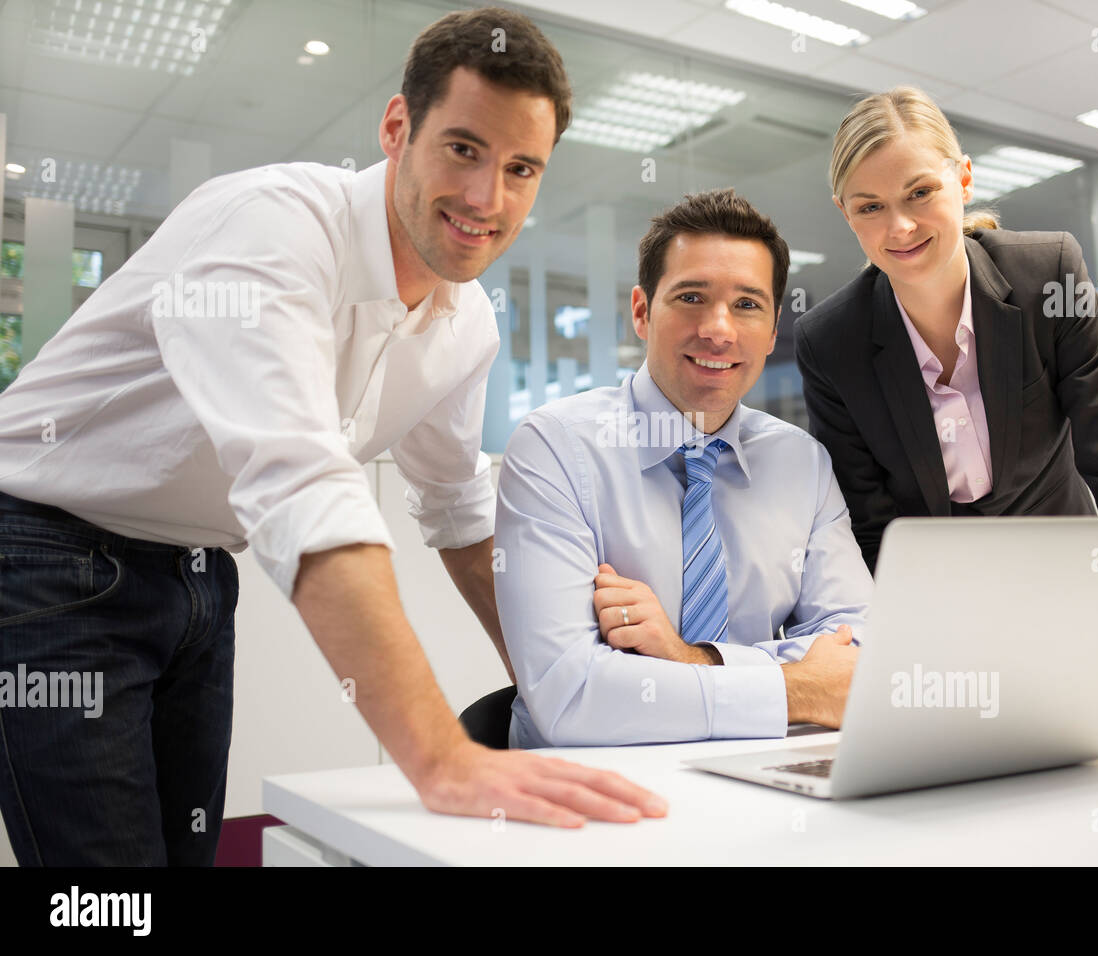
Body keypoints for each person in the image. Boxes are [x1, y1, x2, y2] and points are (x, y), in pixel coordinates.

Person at [0, 7, 664, 866]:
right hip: (46, 549)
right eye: (463, 148)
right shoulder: (271, 225)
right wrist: (441, 758)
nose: (485, 199)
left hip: (202, 575)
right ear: (398, 128)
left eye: (521, 168)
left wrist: (561, 693)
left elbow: (461, 515)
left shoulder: (468, 327)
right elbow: (300, 484)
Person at [794, 86, 1098, 709]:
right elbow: (872, 529)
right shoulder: (831, 341)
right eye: (869, 206)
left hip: (1071, 595)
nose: (898, 226)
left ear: (964, 178)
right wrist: (908, 670)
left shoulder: (1048, 277)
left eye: (919, 192)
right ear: (847, 213)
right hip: (937, 624)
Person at [495, 189, 872, 749]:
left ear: (772, 332)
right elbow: (570, 697)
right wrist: (799, 688)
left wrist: (687, 657)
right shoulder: (554, 448)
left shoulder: (801, 462)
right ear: (642, 312)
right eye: (692, 296)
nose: (718, 329)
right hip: (598, 795)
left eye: (747, 304)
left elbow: (860, 649)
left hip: (761, 780)